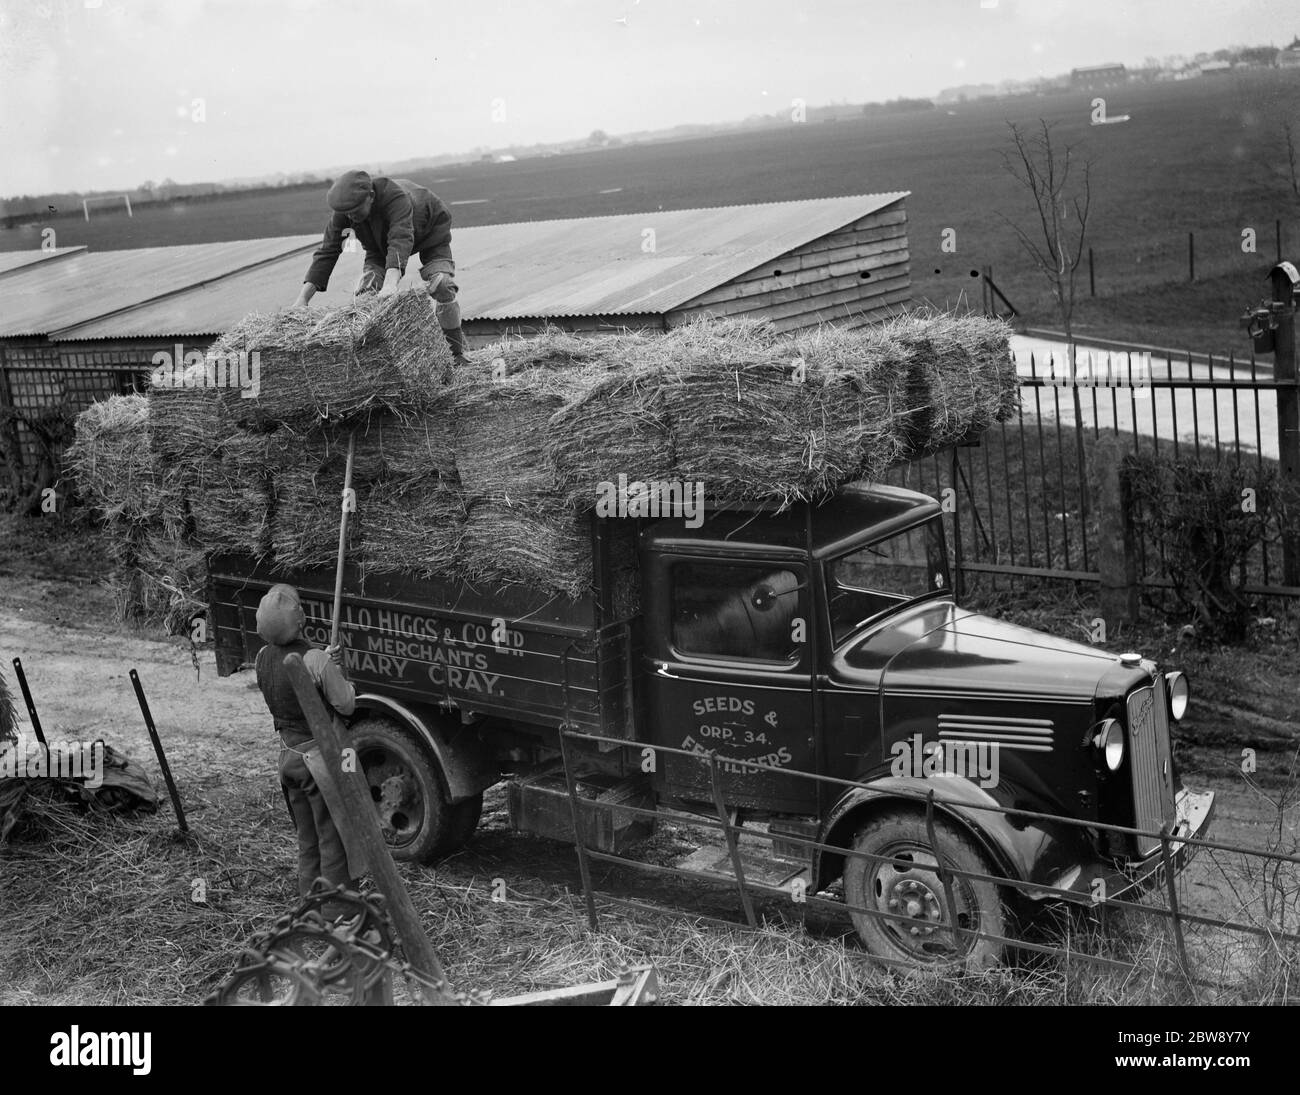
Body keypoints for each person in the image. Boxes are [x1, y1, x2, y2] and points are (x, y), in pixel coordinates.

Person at [253, 583, 363, 912]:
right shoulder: (315, 660)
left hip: (288, 758)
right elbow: (345, 705)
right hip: (319, 763)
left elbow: (296, 669)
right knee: (333, 839)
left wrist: (323, 664)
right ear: (300, 619)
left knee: (308, 838)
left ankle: (308, 907)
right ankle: (335, 914)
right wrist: (337, 673)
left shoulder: (261, 657)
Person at [292, 169, 467, 364]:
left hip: (430, 230)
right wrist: (303, 299)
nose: (351, 217)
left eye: (356, 211)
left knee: (442, 284)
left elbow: (400, 239)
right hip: (379, 245)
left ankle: (455, 354)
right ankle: (375, 361)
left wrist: (390, 285)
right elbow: (329, 250)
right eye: (347, 213)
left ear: (371, 197)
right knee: (366, 292)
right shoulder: (346, 212)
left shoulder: (397, 200)